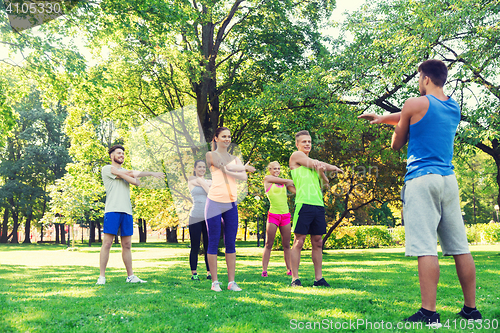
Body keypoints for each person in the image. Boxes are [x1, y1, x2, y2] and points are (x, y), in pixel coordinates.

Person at [359, 59, 481, 325]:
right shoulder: (453, 107)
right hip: (448, 180)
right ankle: (471, 310)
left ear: (425, 78)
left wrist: (393, 126)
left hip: (421, 179)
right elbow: (416, 117)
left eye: (419, 78)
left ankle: (428, 312)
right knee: (460, 247)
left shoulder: (413, 103)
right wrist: (383, 119)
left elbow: (397, 142)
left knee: (426, 247)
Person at [97, 144, 165, 285]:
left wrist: (149, 173)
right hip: (112, 210)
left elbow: (137, 181)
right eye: (118, 153)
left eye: (123, 153)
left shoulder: (122, 171)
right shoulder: (106, 169)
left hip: (126, 211)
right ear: (112, 155)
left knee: (127, 244)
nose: (121, 155)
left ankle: (131, 276)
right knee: (107, 243)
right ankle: (102, 277)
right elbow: (131, 176)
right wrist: (127, 174)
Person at [289, 130, 343, 287]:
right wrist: (333, 167)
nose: (307, 144)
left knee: (318, 242)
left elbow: (325, 185)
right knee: (299, 241)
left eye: (309, 142)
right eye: (304, 141)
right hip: (303, 204)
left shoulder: (315, 164)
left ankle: (318, 279)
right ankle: (295, 279)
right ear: (297, 144)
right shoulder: (296, 156)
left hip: (318, 205)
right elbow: (316, 164)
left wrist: (322, 173)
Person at [205, 127, 255, 292]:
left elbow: (243, 178)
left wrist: (241, 171)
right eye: (223, 136)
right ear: (216, 138)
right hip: (214, 202)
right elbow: (221, 166)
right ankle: (215, 282)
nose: (227, 139)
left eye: (229, 136)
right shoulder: (210, 155)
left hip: (231, 203)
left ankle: (231, 282)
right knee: (213, 242)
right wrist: (241, 168)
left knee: (230, 243)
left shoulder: (235, 158)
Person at [261, 161, 296, 277]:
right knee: (268, 243)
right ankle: (264, 270)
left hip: (285, 215)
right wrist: (290, 181)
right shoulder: (267, 179)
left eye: (279, 169)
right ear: (270, 170)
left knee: (286, 244)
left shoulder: (283, 182)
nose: (277, 171)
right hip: (273, 215)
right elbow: (288, 181)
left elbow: (295, 190)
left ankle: (289, 269)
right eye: (274, 169)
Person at [187, 160, 211, 281]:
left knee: (209, 246)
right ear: (195, 168)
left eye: (204, 167)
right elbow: (210, 190)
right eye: (199, 167)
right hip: (195, 217)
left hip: (208, 217)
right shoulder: (192, 179)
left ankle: (209, 272)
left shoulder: (207, 181)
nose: (202, 169)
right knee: (195, 246)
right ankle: (194, 273)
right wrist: (208, 184)